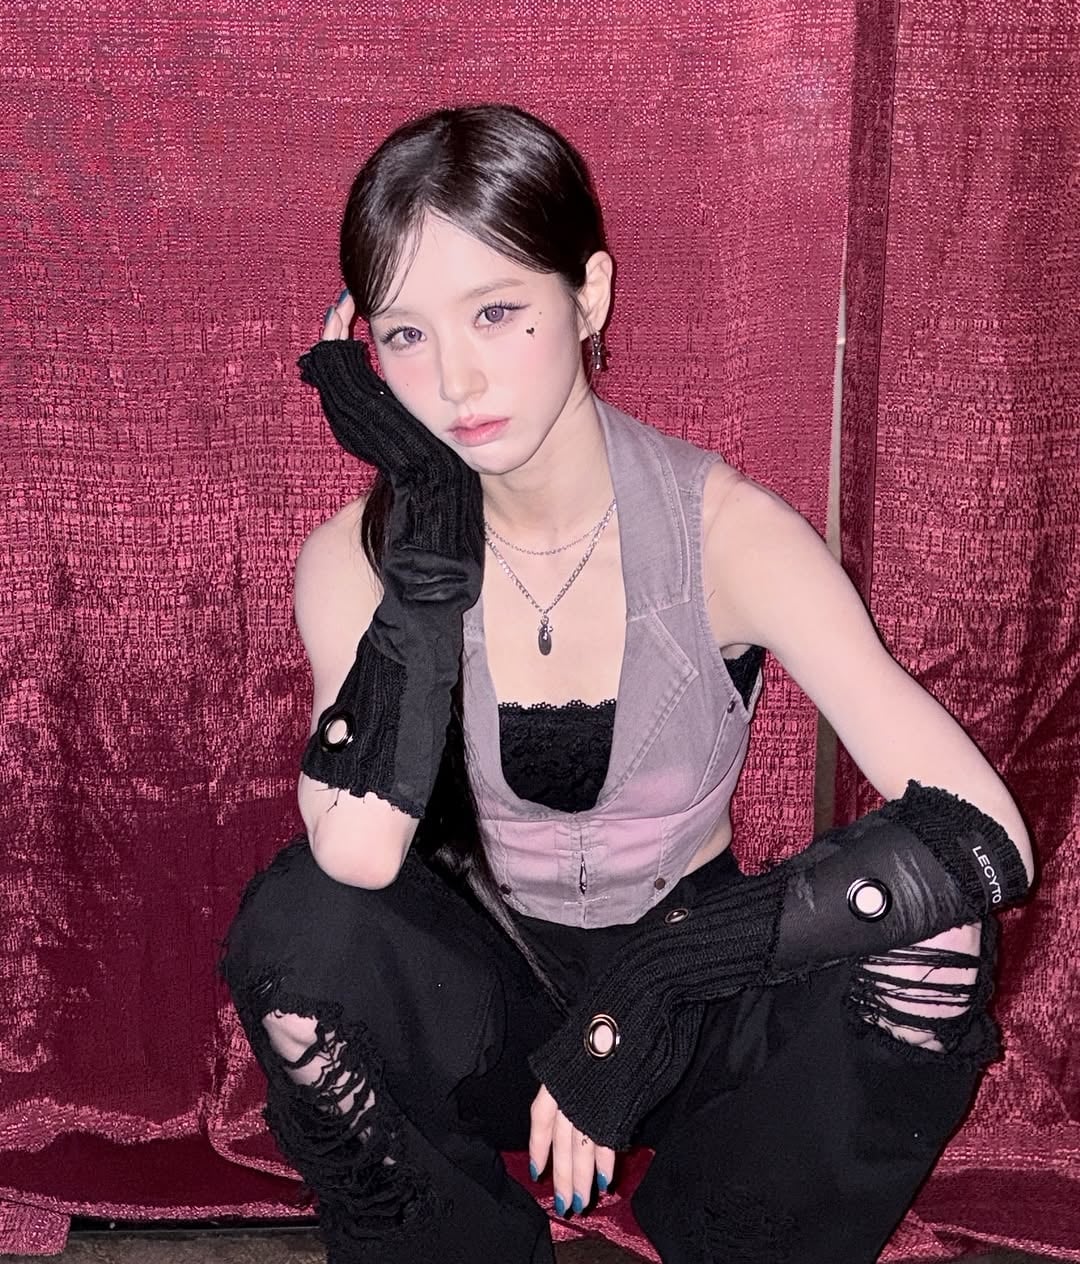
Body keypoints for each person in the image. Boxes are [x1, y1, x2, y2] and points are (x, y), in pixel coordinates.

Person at [220, 103, 1034, 1264]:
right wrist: (429, 527)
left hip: (693, 1008)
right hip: (483, 1017)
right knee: (293, 940)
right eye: (404, 334)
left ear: (588, 295)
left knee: (937, 936)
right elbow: (355, 855)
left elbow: (988, 836)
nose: (455, 378)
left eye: (496, 312)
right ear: (364, 350)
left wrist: (648, 989)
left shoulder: (729, 534)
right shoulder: (357, 561)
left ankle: (737, 1232)